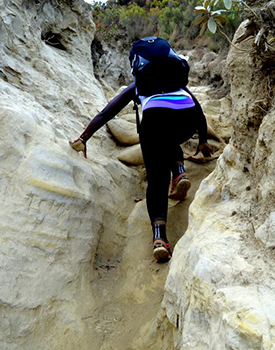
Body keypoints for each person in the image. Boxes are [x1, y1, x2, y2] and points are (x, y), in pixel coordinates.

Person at [70, 51, 212, 263]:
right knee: (170, 138)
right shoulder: (177, 83)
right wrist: (202, 141)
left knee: (157, 180)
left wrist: (84, 137)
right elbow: (199, 112)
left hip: (154, 123)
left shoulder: (140, 85)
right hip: (186, 120)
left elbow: (107, 112)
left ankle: (160, 239)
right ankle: (180, 173)